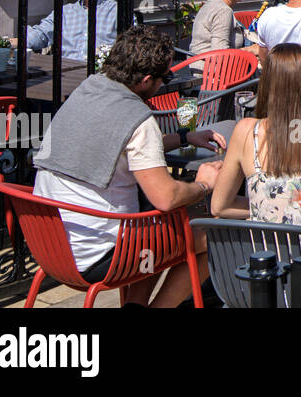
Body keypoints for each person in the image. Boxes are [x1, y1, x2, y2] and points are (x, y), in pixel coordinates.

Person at [32, 26, 224, 306]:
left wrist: (183, 136)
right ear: (147, 79)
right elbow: (167, 198)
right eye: (164, 77)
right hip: (103, 257)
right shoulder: (139, 120)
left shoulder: (88, 89)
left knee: (150, 221)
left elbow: (120, 145)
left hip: (52, 249)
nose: (164, 83)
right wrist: (204, 184)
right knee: (213, 234)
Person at [210, 43, 301, 263]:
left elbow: (219, 207)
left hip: (273, 279)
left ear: (268, 84)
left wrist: (272, 211)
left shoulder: (246, 132)